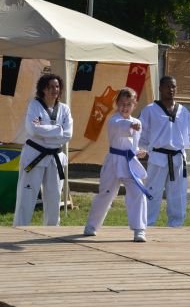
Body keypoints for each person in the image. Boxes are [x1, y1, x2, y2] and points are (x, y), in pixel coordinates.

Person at [83, 87, 149, 242]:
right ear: (117, 104)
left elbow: (132, 144)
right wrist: (131, 127)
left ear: (134, 105)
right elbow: (120, 127)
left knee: (138, 192)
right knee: (106, 193)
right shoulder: (114, 120)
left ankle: (139, 229)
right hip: (113, 161)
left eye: (128, 104)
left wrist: (139, 151)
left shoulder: (137, 122)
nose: (125, 107)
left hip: (130, 163)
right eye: (122, 104)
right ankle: (91, 225)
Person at [13, 73, 73, 226]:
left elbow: (68, 134)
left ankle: (52, 232)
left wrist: (44, 132)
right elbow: (32, 130)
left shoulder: (64, 109)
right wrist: (57, 130)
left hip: (55, 157)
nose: (55, 90)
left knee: (54, 197)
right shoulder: (34, 105)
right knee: (27, 195)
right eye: (51, 87)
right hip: (35, 155)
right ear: (43, 89)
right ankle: (20, 229)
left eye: (57, 86)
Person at [139, 76, 190, 227]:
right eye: (168, 86)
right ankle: (147, 224)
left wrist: (182, 145)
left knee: (178, 194)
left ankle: (176, 224)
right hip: (158, 156)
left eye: (174, 87)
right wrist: (146, 150)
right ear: (160, 88)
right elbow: (142, 134)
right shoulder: (150, 110)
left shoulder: (183, 111)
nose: (171, 90)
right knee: (153, 192)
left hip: (177, 157)